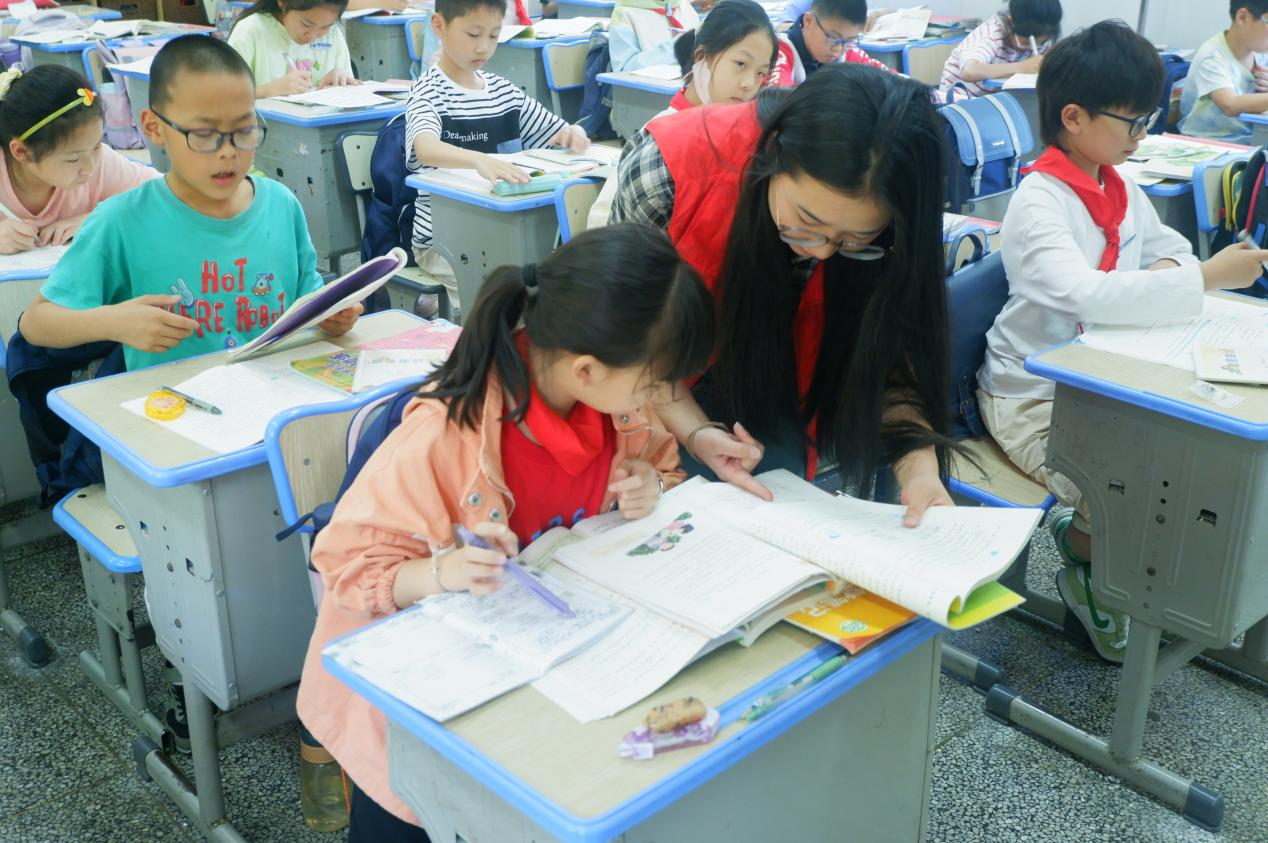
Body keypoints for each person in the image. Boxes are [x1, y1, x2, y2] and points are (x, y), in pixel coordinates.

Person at [295, 223, 715, 841]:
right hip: (419, 705)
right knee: (411, 816)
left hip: (543, 670)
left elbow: (664, 468)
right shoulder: (445, 434)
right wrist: (442, 572)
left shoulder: (619, 412)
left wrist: (652, 485)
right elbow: (344, 569)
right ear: (587, 370)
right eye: (654, 382)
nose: (660, 397)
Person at [977, 21, 1268, 661]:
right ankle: (1085, 559)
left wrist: (1174, 272)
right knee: (1134, 490)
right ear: (1074, 117)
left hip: (1106, 372)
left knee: (1188, 466)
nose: (1141, 135)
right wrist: (1198, 277)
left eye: (1148, 120)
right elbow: (1087, 294)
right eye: (1132, 122)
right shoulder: (1041, 200)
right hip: (1032, 393)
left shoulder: (1116, 183)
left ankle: (1119, 561)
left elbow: (1170, 249)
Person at [612, 64, 955, 526]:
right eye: (807, 222)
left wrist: (920, 472)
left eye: (854, 239)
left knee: (777, 511)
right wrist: (693, 432)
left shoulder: (891, 235)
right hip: (655, 378)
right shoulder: (667, 172)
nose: (822, 251)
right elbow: (630, 340)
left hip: (773, 382)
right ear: (774, 151)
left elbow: (889, 362)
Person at [18, 35, 360, 371]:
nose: (228, 152)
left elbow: (307, 300)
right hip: (171, 401)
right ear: (154, 127)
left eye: (244, 130)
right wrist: (113, 322)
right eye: (204, 135)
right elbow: (36, 323)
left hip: (275, 392)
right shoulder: (121, 220)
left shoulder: (281, 204)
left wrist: (330, 316)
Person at [405, 0, 588, 316]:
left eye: (493, 35)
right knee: (500, 299)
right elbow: (425, 147)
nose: (484, 47)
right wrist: (479, 160)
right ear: (439, 26)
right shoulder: (427, 92)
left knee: (555, 284)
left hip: (504, 228)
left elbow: (557, 131)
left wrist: (574, 133)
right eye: (473, 34)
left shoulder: (504, 92)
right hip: (444, 241)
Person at [587, 0, 779, 230]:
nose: (749, 84)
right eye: (740, 64)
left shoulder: (746, 135)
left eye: (760, 73)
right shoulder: (659, 141)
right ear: (701, 57)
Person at [0, 64, 158, 255]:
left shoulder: (100, 162)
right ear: (21, 152)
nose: (89, 168)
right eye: (73, 160)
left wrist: (98, 219)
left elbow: (168, 194)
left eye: (97, 146)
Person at [1178, 1, 1268, 144]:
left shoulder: (1260, 52)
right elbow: (1230, 105)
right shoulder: (1212, 55)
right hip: (1209, 143)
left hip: (1250, 139)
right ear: (1243, 17)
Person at [229, 0, 357, 98]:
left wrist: (340, 80)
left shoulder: (333, 34)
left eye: (325, 27)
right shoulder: (250, 30)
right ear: (283, 3)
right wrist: (269, 90)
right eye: (306, 24)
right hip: (267, 124)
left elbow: (349, 87)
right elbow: (225, 95)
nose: (313, 36)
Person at [939, 0, 1061, 98]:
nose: (1030, 48)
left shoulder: (1043, 35)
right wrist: (1022, 67)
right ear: (1011, 22)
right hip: (960, 102)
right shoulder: (991, 33)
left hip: (998, 102)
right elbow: (969, 71)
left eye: (1040, 43)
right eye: (1026, 42)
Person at [770, 0, 889, 86]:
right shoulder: (778, 52)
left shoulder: (849, 53)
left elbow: (894, 81)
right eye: (833, 38)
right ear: (809, 21)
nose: (838, 50)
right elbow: (779, 105)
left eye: (850, 40)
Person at [608, 0, 701, 73]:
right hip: (649, 89)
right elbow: (624, 70)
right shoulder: (624, 13)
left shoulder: (684, 7)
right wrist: (680, 46)